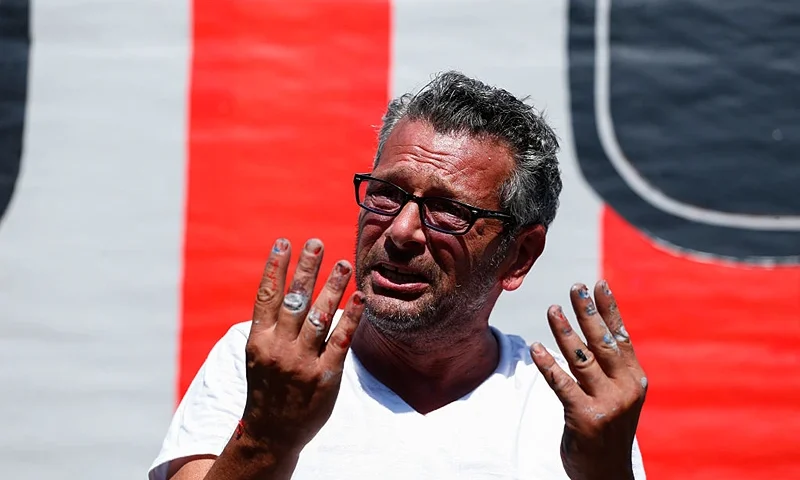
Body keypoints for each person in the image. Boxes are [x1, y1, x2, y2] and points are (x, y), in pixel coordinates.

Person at [149, 71, 648, 480]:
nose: (401, 231)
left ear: (519, 255)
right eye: (387, 194)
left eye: (447, 210)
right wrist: (266, 438)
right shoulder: (267, 365)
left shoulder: (564, 410)